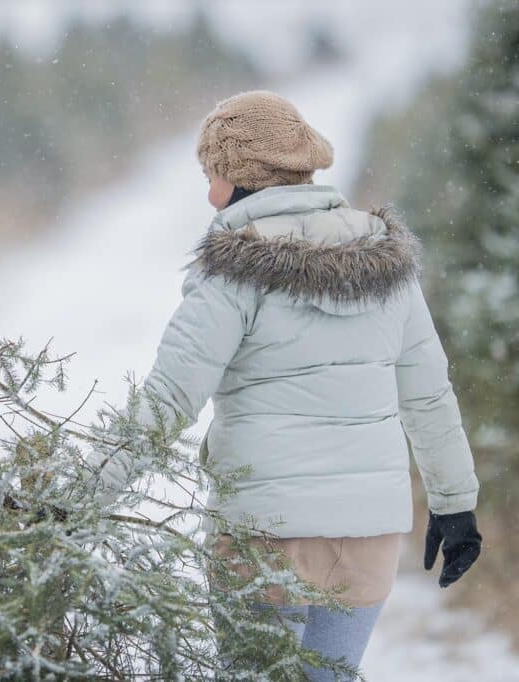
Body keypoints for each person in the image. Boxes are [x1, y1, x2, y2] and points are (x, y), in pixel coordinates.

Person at [128, 91, 482, 679]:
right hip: (368, 537)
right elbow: (428, 395)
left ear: (237, 176)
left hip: (264, 538)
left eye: (211, 175)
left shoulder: (231, 271)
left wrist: (78, 499)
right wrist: (456, 505)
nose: (209, 194)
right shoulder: (388, 263)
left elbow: (168, 400)